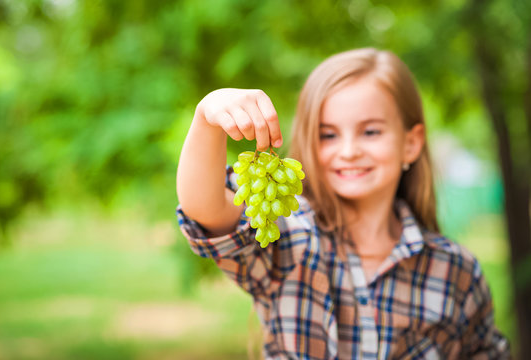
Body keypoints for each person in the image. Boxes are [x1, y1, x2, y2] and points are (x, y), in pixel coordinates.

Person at [176, 48, 510, 359]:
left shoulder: (457, 272)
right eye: (328, 135)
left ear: (411, 143)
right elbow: (205, 209)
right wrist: (207, 118)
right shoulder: (287, 235)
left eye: (371, 132)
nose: (349, 150)